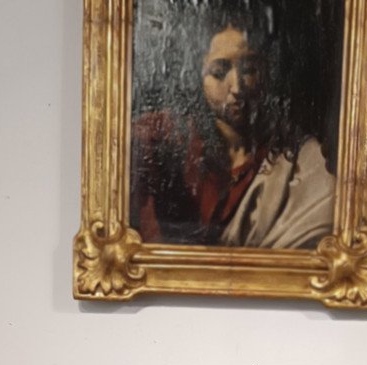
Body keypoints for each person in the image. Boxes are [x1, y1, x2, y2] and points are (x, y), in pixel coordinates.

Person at [130, 4, 337, 249]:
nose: (237, 87)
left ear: (265, 71)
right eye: (219, 72)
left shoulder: (300, 158)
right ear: (195, 74)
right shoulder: (162, 137)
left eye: (248, 69)